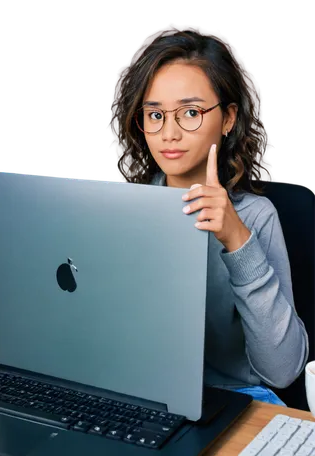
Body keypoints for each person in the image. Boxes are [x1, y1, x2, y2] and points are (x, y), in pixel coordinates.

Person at [109, 24, 309, 406]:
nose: (169, 133)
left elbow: (283, 370)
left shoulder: (256, 216)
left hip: (236, 399)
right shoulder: (125, 206)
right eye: (154, 116)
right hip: (145, 397)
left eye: (190, 112)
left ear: (228, 118)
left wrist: (238, 239)